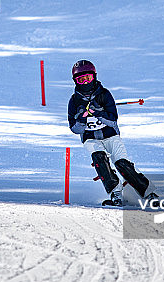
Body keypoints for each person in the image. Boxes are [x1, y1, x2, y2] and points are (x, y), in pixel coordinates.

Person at [67, 60, 157, 207]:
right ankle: (115, 192)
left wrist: (98, 112)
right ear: (75, 81)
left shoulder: (104, 94)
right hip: (91, 139)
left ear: (94, 77)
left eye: (88, 78)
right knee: (99, 159)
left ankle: (148, 193)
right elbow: (74, 128)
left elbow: (113, 119)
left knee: (122, 163)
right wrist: (82, 119)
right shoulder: (74, 101)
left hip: (110, 135)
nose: (85, 83)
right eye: (80, 80)